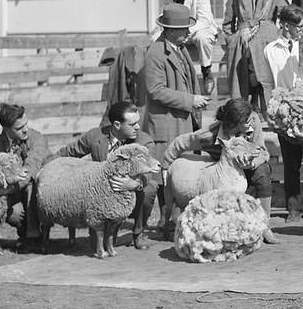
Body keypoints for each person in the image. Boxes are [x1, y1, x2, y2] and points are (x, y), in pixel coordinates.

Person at [113, 98, 278, 244]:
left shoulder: (252, 120)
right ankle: (183, 225)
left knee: (263, 171)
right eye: (246, 121)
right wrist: (166, 168)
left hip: (247, 167)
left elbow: (262, 151)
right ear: (233, 125)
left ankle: (264, 225)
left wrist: (252, 162)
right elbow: (179, 143)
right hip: (221, 170)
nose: (251, 122)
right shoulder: (210, 135)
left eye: (250, 119)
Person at [138, 4, 211, 234]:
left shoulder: (179, 48)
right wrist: (190, 100)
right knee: (165, 176)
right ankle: (166, 222)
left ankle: (177, 221)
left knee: (182, 174)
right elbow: (156, 90)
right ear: (169, 30)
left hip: (182, 122)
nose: (187, 33)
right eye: (182, 29)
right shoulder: (155, 53)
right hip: (165, 124)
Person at [55, 101, 159, 249]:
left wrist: (134, 184)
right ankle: (102, 229)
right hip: (99, 194)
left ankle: (138, 232)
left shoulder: (143, 141)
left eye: (137, 122)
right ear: (117, 125)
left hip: (128, 189)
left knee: (149, 189)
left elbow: (147, 173)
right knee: (96, 245)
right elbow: (68, 152)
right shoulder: (95, 136)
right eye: (132, 124)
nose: (137, 127)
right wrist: (48, 168)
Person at [263, 4, 303, 221]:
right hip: (287, 109)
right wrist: (273, 107)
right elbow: (269, 80)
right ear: (285, 25)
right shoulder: (271, 50)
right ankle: (293, 207)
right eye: (298, 27)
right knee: (291, 163)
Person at [0, 103, 50, 253]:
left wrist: (1, 191)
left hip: (40, 191)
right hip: (15, 192)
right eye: (19, 128)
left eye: (26, 124)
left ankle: (35, 236)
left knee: (31, 186)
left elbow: (28, 173)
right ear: (6, 130)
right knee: (15, 215)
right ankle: (24, 236)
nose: (25, 129)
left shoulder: (37, 139)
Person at [221, 0, 289, 111]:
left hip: (267, 36)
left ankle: (268, 110)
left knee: (265, 73)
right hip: (243, 38)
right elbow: (228, 21)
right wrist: (233, 39)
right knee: (243, 74)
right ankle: (244, 110)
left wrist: (280, 34)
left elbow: (285, 12)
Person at [157, 0, 219, 95]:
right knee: (156, 40)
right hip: (178, 31)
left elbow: (205, 20)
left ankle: (206, 71)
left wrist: (186, 31)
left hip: (199, 29)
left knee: (202, 38)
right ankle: (167, 75)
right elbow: (165, 17)